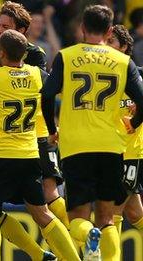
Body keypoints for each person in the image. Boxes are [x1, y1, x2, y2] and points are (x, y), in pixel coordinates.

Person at [0, 29, 80, 261]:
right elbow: (54, 90)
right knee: (42, 214)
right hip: (31, 155)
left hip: (0, 157)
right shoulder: (36, 74)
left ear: (0, 52)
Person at [41, 5, 143, 260]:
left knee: (78, 218)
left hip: (76, 146)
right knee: (108, 218)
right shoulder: (123, 61)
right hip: (111, 147)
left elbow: (47, 94)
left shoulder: (66, 56)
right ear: (109, 31)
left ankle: (88, 236)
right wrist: (135, 122)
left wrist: (52, 129)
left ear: (82, 28)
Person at [0, 2, 68, 258]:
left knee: (48, 196)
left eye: (6, 27)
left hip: (36, 134)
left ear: (22, 30)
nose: (0, 31)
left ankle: (79, 235)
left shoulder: (35, 54)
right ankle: (44, 252)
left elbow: (30, 87)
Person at [107, 24, 143, 238]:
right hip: (111, 152)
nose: (106, 45)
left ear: (125, 47)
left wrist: (136, 119)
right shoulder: (102, 75)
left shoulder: (136, 75)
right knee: (135, 212)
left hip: (131, 153)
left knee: (112, 210)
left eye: (111, 41)